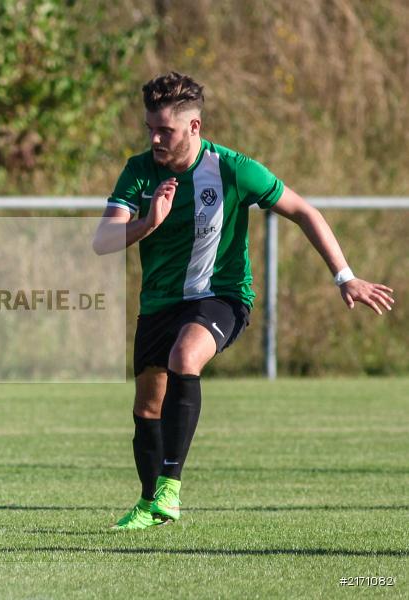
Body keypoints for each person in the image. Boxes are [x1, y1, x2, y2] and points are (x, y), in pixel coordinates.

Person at [92, 72, 395, 530]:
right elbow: (103, 240)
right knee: (147, 408)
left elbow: (303, 211)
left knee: (184, 355)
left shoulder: (231, 168)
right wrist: (148, 222)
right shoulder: (139, 171)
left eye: (165, 130)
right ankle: (150, 501)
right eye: (150, 127)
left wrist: (345, 276)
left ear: (194, 128)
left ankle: (170, 489)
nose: (155, 137)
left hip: (222, 296)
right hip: (158, 303)